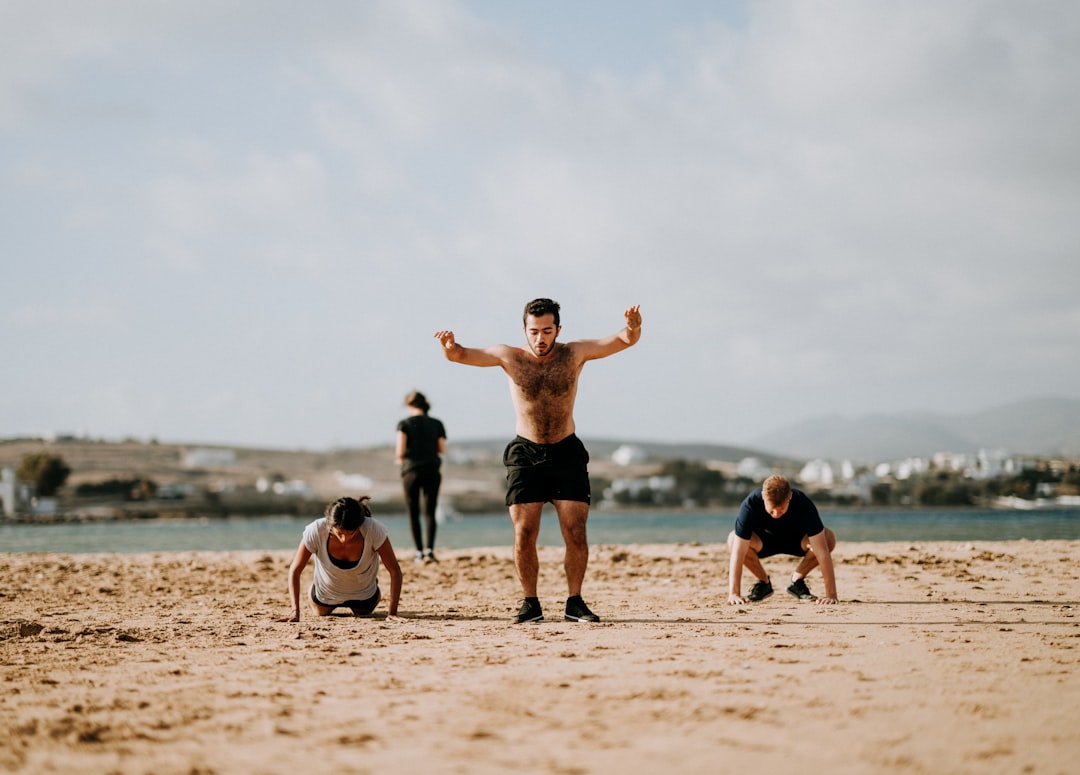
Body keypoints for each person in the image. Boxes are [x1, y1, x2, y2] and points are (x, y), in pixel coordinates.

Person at [434, 298, 642, 624]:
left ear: (559, 329)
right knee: (524, 532)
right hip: (526, 453)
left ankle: (575, 602)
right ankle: (531, 603)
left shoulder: (574, 353)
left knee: (575, 531)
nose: (541, 338)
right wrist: (449, 347)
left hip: (566, 452)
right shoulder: (510, 357)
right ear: (525, 331)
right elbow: (462, 354)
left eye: (547, 330)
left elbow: (620, 341)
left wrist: (633, 329)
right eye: (534, 331)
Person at [279, 495, 404, 622]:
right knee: (319, 611)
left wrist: (392, 613)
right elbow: (295, 570)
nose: (345, 539)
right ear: (330, 524)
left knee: (365, 611)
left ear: (360, 524)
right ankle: (316, 587)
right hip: (324, 598)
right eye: (339, 533)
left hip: (365, 598)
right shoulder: (316, 529)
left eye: (351, 533)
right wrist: (295, 612)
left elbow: (395, 570)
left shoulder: (373, 529)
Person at [727, 475, 838, 606]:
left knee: (828, 538)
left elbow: (821, 552)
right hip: (763, 543)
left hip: (797, 542)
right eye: (772, 510)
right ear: (763, 496)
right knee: (733, 540)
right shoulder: (750, 504)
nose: (775, 514)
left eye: (780, 510)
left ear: (790, 496)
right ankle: (764, 583)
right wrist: (734, 593)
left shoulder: (803, 503)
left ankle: (796, 581)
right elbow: (738, 552)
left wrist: (831, 595)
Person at [395, 390, 447, 564]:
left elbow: (400, 452)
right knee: (430, 511)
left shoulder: (404, 424)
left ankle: (418, 552)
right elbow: (442, 449)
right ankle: (430, 551)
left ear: (410, 406)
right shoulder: (437, 423)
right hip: (432, 469)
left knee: (413, 511)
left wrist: (399, 460)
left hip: (411, 471)